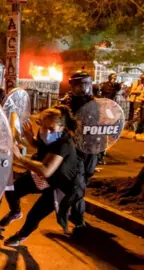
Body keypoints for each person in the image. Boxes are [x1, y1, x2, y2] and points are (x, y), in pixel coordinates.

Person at [3, 105, 78, 246]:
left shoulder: (64, 144)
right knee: (11, 190)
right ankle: (15, 212)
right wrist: (31, 139)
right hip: (42, 178)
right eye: (43, 127)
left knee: (34, 215)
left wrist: (20, 158)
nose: (46, 132)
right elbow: (43, 146)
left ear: (62, 128)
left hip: (58, 184)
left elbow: (46, 170)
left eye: (51, 129)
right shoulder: (50, 137)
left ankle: (21, 236)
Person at [57, 70, 98, 231]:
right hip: (74, 150)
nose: (83, 88)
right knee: (78, 184)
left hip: (91, 149)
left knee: (84, 180)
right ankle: (74, 215)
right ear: (72, 85)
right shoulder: (65, 104)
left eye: (86, 83)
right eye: (79, 84)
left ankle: (74, 214)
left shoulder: (95, 103)